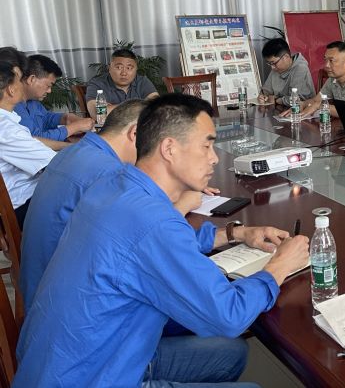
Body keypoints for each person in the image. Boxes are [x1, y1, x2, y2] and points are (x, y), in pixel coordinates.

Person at [14, 94, 310, 387]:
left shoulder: (115, 186)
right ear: (169, 148)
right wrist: (280, 265)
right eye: (206, 145)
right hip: (95, 375)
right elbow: (229, 315)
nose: (215, 158)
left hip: (70, 359)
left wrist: (234, 233)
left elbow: (146, 247)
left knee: (230, 354)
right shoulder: (152, 220)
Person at [19, 99, 146, 308]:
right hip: (68, 304)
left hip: (40, 291)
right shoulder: (109, 172)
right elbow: (143, 238)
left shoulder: (72, 152)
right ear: (135, 133)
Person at [0, 55, 56, 229]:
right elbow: (58, 165)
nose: (25, 82)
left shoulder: (8, 121)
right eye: (20, 79)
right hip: (20, 205)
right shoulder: (6, 129)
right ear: (10, 89)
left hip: (24, 195)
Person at [14, 54, 94, 149]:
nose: (49, 91)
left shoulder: (32, 101)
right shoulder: (13, 106)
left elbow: (46, 118)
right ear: (32, 79)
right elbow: (35, 139)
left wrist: (65, 118)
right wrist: (74, 127)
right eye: (48, 86)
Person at [86, 48, 159, 120]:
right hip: (110, 127)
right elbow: (97, 114)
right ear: (109, 68)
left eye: (129, 68)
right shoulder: (97, 83)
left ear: (136, 69)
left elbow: (157, 107)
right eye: (119, 67)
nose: (124, 73)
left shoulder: (142, 81)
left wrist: (110, 108)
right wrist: (141, 106)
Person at [258, 38, 315, 106]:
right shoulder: (276, 68)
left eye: (274, 63)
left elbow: (296, 100)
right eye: (269, 63)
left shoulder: (300, 68)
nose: (272, 67)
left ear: (286, 57)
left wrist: (276, 100)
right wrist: (262, 96)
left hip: (301, 110)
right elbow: (266, 91)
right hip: (281, 109)